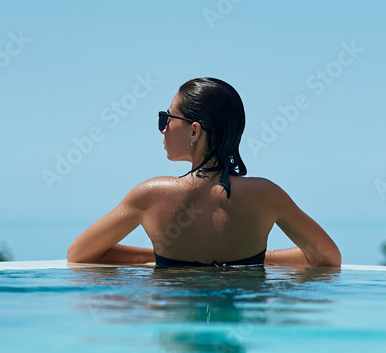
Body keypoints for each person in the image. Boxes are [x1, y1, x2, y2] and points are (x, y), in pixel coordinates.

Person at [66, 78, 341, 269]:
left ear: (194, 131)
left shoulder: (151, 195)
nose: (162, 128)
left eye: (167, 118)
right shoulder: (266, 195)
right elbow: (328, 258)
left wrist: (162, 258)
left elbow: (79, 255)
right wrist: (262, 260)